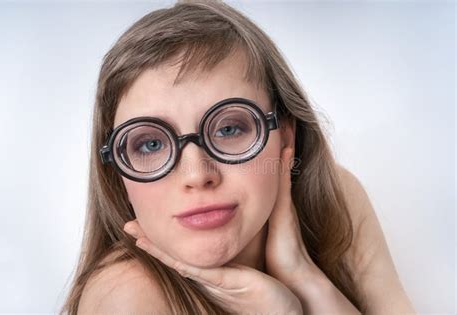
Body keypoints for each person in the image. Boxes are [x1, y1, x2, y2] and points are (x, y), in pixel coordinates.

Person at [61, 0, 416, 314]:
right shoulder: (125, 297)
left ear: (284, 135)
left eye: (229, 129)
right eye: (151, 145)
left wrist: (304, 280)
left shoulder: (337, 198)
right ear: (117, 170)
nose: (198, 174)